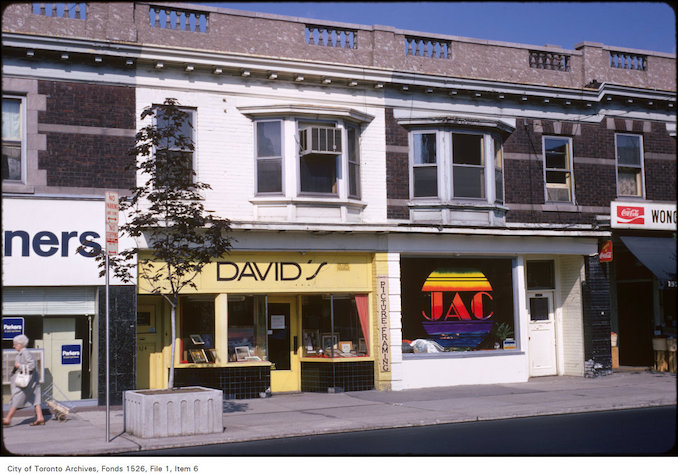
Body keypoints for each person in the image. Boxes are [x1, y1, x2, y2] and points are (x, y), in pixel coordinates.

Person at [3, 334, 45, 426]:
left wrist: (19, 366)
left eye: (15, 344)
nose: (13, 346)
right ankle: (40, 418)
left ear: (21, 344)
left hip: (26, 381)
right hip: (31, 380)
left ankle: (8, 419)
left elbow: (32, 366)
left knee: (17, 398)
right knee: (35, 398)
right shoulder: (22, 352)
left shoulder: (25, 352)